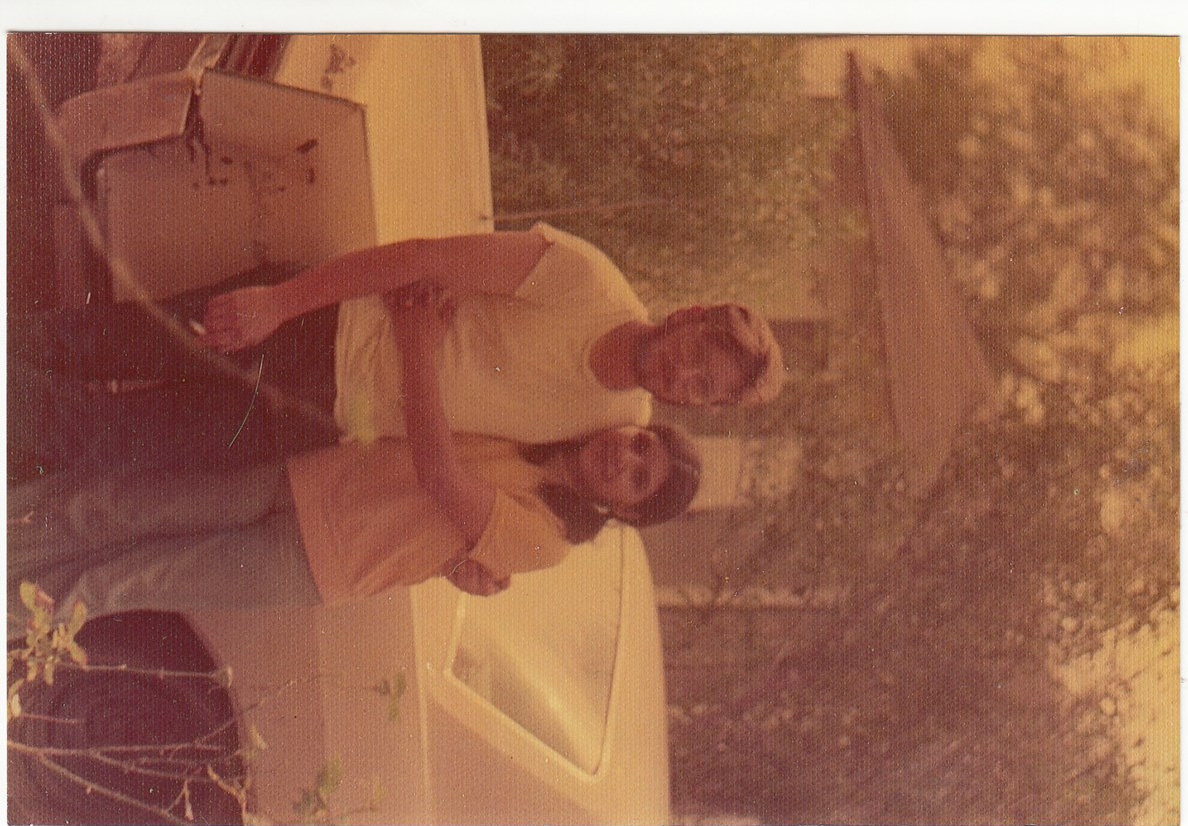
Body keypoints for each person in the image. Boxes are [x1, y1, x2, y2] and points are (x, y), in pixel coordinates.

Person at [9, 288, 702, 625]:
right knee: (112, 507)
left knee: (125, 584)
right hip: (305, 472)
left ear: (624, 510)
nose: (626, 460)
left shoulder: (550, 542)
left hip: (314, 561)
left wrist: (416, 342)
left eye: (639, 481)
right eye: (641, 445)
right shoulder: (536, 432)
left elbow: (438, 474)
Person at [10, 225, 786, 477]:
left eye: (704, 388)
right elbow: (420, 259)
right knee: (89, 343)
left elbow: (538, 487)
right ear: (689, 316)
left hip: (323, 421)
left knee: (102, 439)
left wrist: (477, 558)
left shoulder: (623, 425)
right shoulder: (585, 279)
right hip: (318, 325)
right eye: (697, 354)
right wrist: (278, 303)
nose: (684, 376)